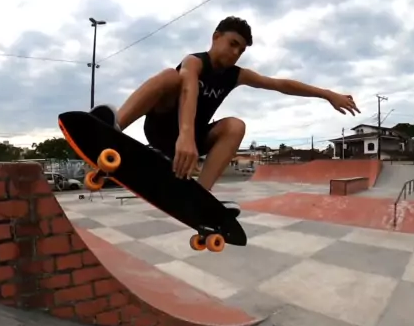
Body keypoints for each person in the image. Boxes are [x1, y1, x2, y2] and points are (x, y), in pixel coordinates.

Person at [92, 16, 360, 214]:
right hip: (163, 128)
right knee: (169, 77)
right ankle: (111, 130)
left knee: (235, 126)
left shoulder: (236, 75)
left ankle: (199, 196)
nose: (235, 53)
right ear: (216, 36)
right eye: (232, 44)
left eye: (240, 50)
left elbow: (280, 84)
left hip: (196, 139)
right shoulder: (195, 61)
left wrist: (327, 94)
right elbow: (188, 89)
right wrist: (185, 135)